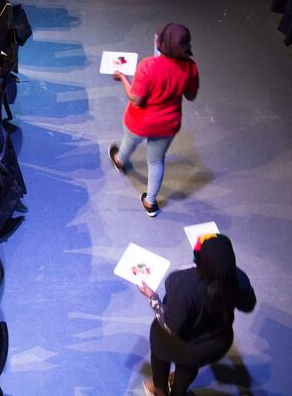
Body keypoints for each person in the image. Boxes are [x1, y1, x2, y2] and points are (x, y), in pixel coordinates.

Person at [138, 234, 255, 396]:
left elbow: (170, 327)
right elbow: (248, 305)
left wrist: (153, 298)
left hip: (174, 344)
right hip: (210, 345)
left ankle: (160, 391)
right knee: (188, 368)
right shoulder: (240, 279)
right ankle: (178, 392)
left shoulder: (181, 282)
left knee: (160, 351)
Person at [108, 23, 199, 217]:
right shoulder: (190, 67)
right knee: (156, 162)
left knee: (128, 143)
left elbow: (136, 99)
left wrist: (122, 77)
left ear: (162, 43)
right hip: (167, 125)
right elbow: (191, 96)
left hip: (139, 121)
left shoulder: (148, 65)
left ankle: (120, 161)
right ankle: (150, 202)